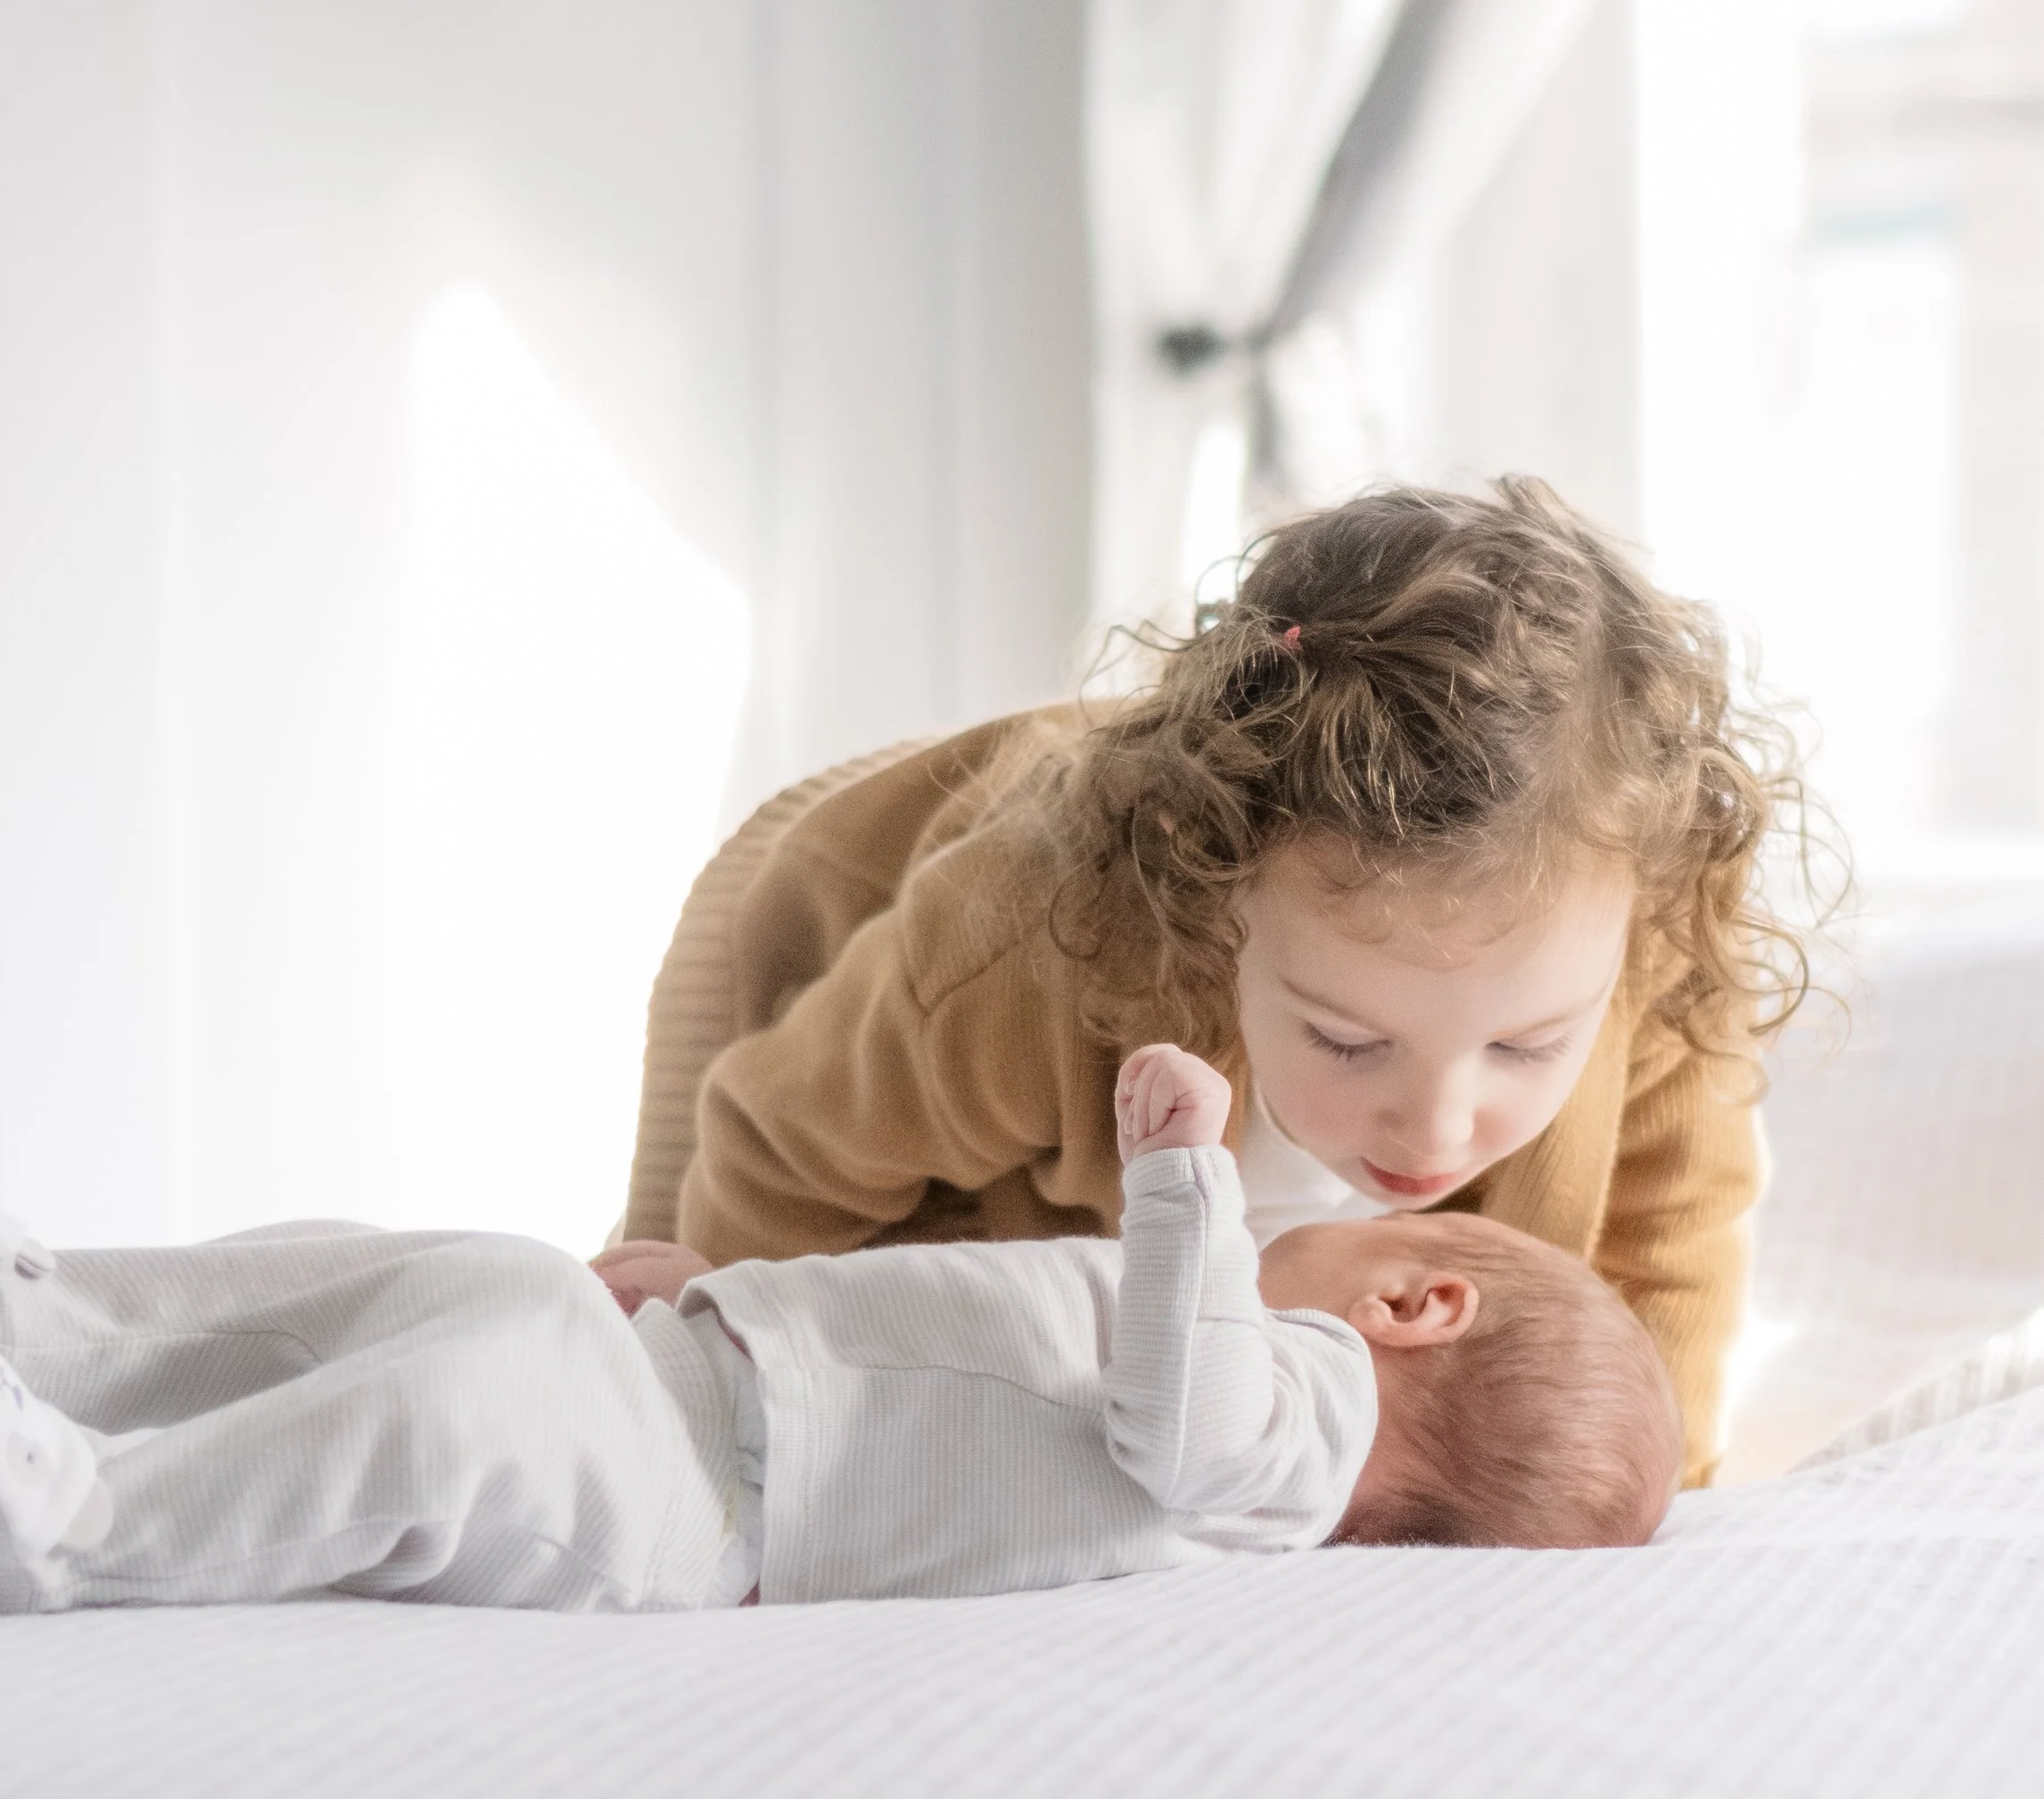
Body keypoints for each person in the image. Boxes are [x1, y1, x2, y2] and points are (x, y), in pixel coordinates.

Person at [613, 480, 1820, 1489]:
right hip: (802, 966)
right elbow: (778, 1155)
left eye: (1525, 1048)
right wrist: (739, 1425)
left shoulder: (1646, 939)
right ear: (1216, 889)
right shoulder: (1036, 947)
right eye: (1348, 1040)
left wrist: (1658, 1490)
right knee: (645, 1353)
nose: (1437, 1128)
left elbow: (1670, 1247)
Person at [0, 1052, 1680, 1621]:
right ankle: (53, 1322)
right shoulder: (1273, 1399)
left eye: (1348, 1237)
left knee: (450, 1404)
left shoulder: (1297, 1422)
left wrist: (1186, 1180)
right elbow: (929, 1343)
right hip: (701, 1392)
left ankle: (92, 1529)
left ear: (1417, 1303)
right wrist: (703, 1299)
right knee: (429, 1276)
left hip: (708, 1510)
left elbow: (1178, 1423)